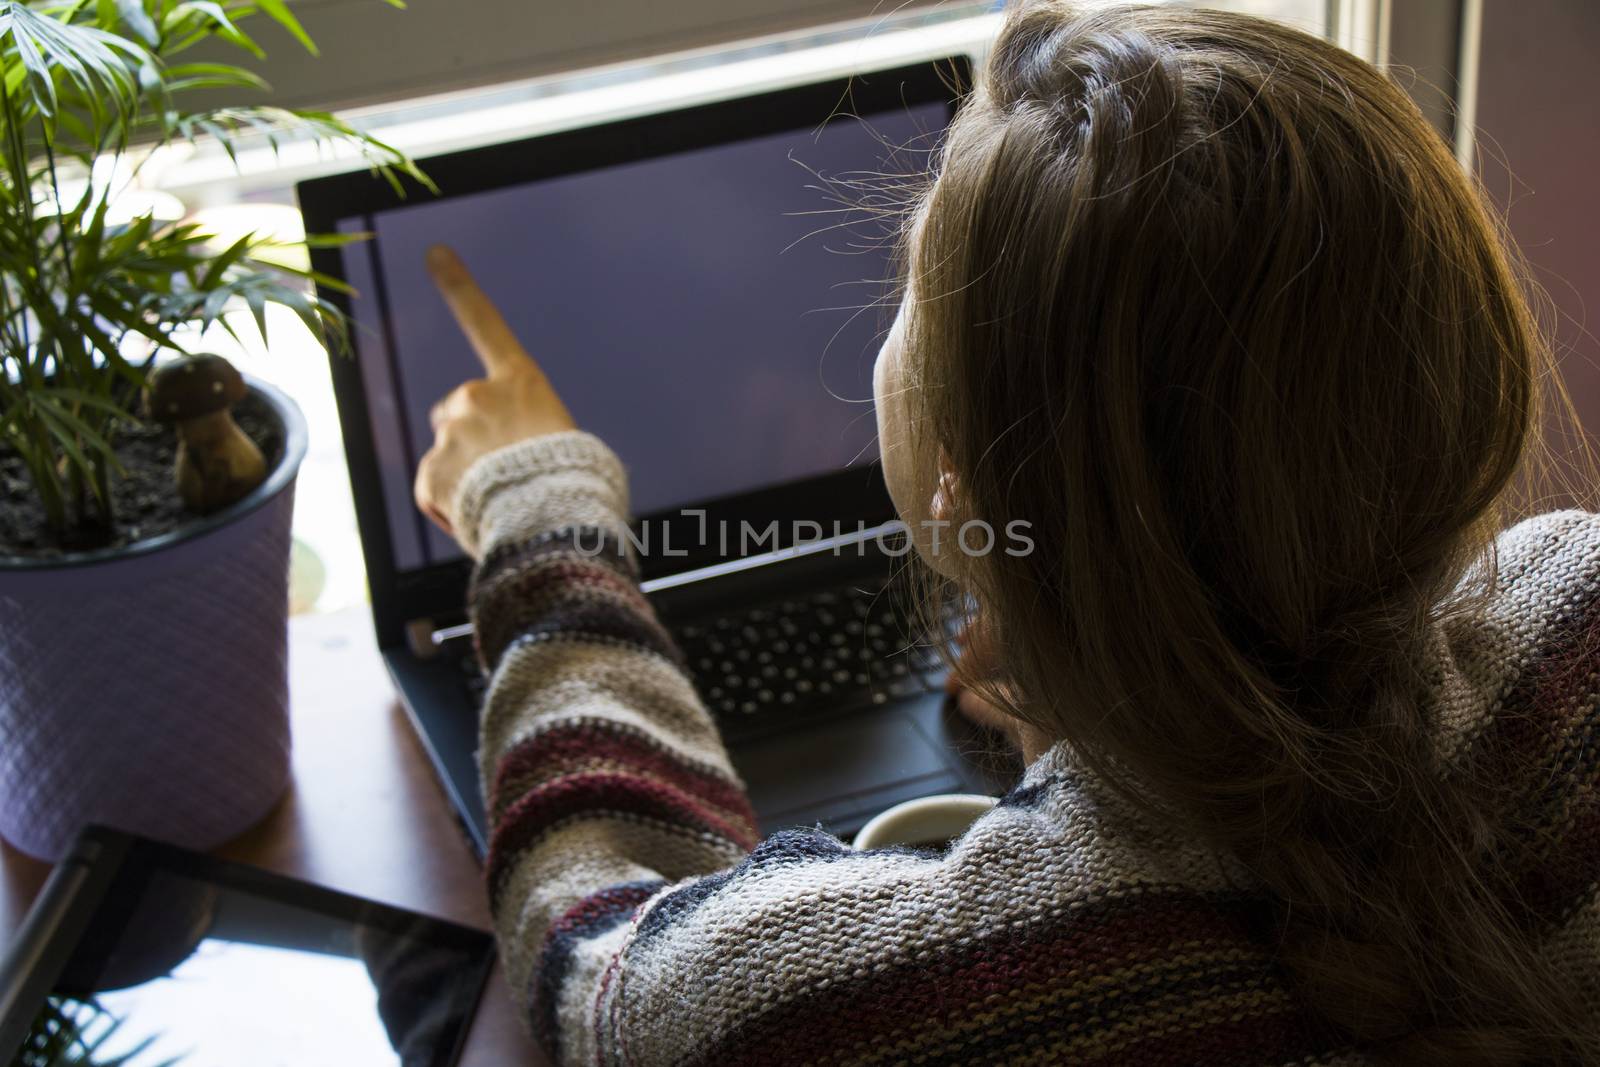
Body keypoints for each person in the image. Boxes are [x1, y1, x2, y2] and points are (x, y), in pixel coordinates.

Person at [412, 3, 1600, 1064]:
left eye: (911, 291)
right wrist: (1104, 684)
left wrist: (536, 502)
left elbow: (594, 949)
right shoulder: (1580, 606)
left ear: (957, 492)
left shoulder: (837, 1006)